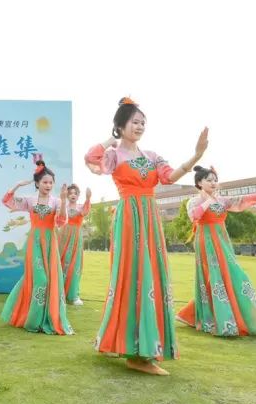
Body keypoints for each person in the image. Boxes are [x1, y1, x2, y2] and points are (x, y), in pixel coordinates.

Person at [84, 98, 208, 376]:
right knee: (132, 275)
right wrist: (111, 139)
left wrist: (196, 156)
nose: (140, 126)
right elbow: (91, 159)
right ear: (121, 125)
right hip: (129, 216)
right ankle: (136, 354)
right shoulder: (114, 155)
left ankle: (137, 347)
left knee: (151, 274)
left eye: (143, 123)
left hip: (149, 217)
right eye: (134, 122)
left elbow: (170, 177)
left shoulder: (152, 156)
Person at [175, 166, 256, 336]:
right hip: (206, 240)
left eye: (215, 180)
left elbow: (244, 199)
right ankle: (216, 318)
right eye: (209, 180)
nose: (213, 183)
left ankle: (201, 314)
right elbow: (194, 217)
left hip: (222, 240)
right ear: (199, 182)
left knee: (231, 273)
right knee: (213, 276)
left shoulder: (223, 201)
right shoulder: (194, 201)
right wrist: (208, 201)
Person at [0, 155, 73, 335]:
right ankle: (32, 319)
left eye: (51, 183)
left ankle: (43, 319)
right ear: (38, 183)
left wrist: (64, 201)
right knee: (41, 280)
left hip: (50, 242)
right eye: (45, 182)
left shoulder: (56, 201)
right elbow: (7, 201)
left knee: (49, 280)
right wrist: (17, 186)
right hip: (34, 242)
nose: (48, 185)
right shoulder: (30, 201)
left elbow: (61, 221)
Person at [59, 183, 91, 306]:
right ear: (67, 195)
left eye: (75, 193)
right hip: (63, 236)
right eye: (70, 193)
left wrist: (88, 198)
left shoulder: (81, 207)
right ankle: (58, 293)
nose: (73, 195)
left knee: (75, 264)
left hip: (76, 238)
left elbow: (85, 212)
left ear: (78, 195)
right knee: (61, 262)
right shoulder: (63, 207)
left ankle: (73, 295)